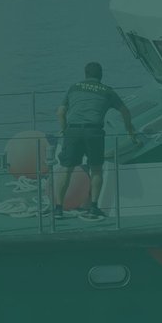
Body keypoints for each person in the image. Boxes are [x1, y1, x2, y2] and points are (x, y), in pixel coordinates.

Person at [53, 61, 139, 221]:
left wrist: (64, 129)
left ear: (85, 74)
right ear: (101, 76)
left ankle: (58, 209)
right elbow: (125, 111)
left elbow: (60, 112)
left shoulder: (74, 87)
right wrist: (129, 129)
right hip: (94, 132)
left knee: (66, 170)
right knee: (97, 169)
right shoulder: (108, 91)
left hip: (73, 131)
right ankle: (94, 207)